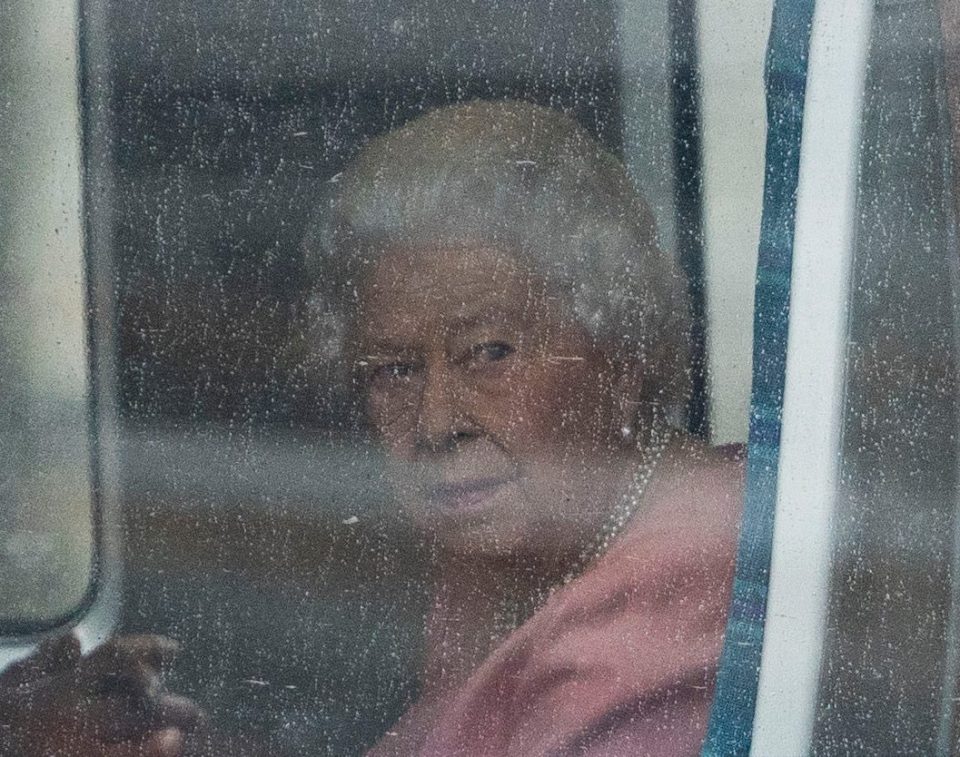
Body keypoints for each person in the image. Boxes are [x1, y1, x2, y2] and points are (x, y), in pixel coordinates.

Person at [0, 100, 742, 756]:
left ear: (623, 349)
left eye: (489, 353)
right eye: (394, 370)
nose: (437, 422)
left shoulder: (671, 606)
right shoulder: (530, 553)